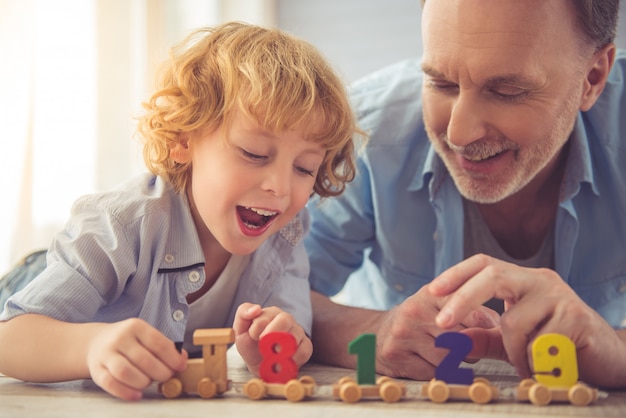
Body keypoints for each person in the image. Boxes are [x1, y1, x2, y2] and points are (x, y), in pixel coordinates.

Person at [0, 22, 360, 400]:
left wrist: (277, 341)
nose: (281, 188)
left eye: (304, 168)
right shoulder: (119, 224)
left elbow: (292, 331)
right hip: (38, 280)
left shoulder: (286, 231)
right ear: (182, 141)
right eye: (254, 153)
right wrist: (90, 346)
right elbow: (9, 338)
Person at [305, 0, 626, 389]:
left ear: (592, 78)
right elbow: (272, 289)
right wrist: (374, 328)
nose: (458, 134)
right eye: (441, 83)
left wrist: (616, 352)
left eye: (506, 90)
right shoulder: (364, 133)